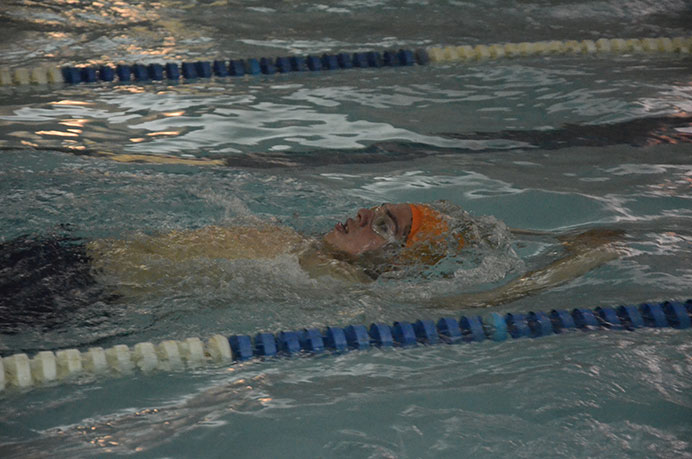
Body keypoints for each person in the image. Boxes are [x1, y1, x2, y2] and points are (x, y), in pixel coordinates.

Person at [0, 201, 623, 331]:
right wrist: (549, 229)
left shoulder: (333, 284)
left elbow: (482, 303)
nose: (361, 218)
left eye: (384, 228)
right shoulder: (294, 239)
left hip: (71, 293)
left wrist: (581, 260)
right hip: (58, 250)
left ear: (395, 263)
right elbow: (472, 231)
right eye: (377, 209)